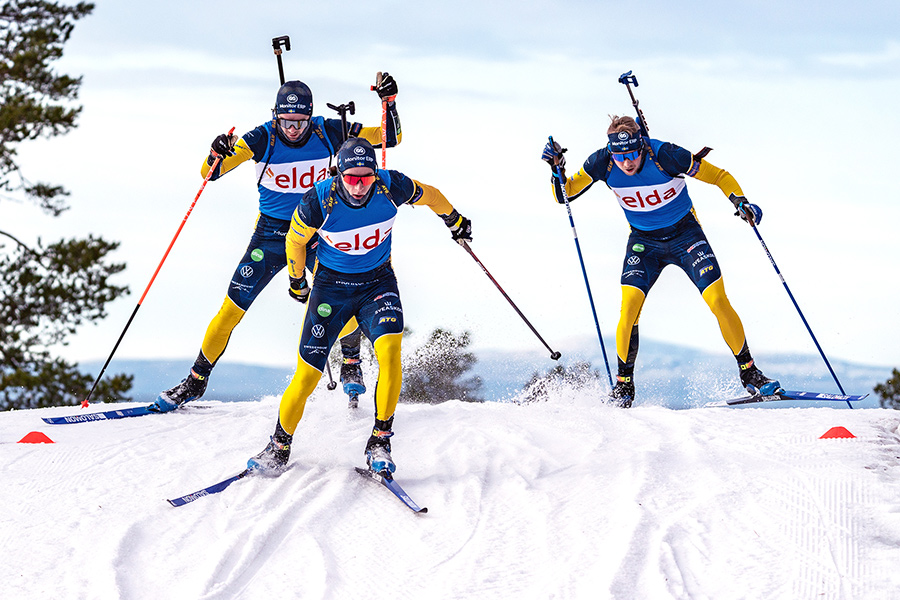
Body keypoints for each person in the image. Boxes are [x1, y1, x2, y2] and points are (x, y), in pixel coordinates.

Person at [152, 75, 401, 412]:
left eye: (299, 122)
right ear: (275, 116)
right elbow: (209, 173)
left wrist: (389, 103)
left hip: (317, 234)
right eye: (286, 121)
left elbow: (388, 139)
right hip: (271, 234)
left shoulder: (326, 131)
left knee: (344, 290)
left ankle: (351, 361)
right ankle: (195, 380)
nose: (293, 129)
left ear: (310, 117)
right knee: (231, 308)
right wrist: (216, 150)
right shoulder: (262, 138)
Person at [246, 137, 472, 476]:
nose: (358, 185)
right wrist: (296, 280)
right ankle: (279, 446)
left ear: (375, 174)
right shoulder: (319, 200)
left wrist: (453, 219)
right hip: (330, 289)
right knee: (307, 375)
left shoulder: (390, 186)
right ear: (339, 174)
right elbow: (294, 240)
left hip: (377, 284)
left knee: (391, 352)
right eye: (351, 178)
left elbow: (431, 194)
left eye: (366, 177)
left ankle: (380, 440)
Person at [542, 115, 782, 408]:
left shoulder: (666, 155)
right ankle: (624, 387)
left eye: (632, 154)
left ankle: (750, 373)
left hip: (686, 235)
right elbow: (563, 195)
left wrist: (740, 201)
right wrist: (556, 169)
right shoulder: (601, 163)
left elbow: (719, 176)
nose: (627, 163)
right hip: (644, 243)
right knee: (628, 309)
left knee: (718, 300)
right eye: (620, 157)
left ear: (641, 146)